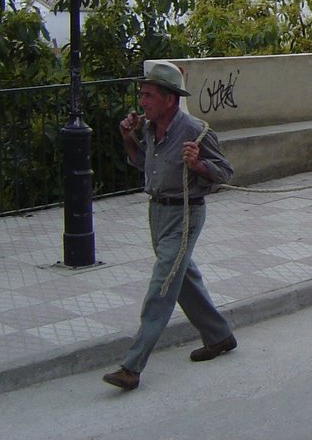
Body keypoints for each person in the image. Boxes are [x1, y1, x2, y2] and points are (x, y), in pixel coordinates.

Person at [102, 62, 236, 392]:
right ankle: (219, 336)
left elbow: (225, 173)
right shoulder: (149, 129)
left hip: (185, 215)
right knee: (182, 278)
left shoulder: (195, 131)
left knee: (162, 286)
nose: (142, 101)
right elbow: (142, 163)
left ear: (169, 99)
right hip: (157, 214)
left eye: (148, 95)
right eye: (142, 94)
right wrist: (128, 138)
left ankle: (132, 367)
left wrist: (198, 164)